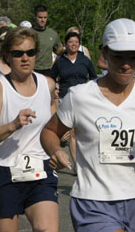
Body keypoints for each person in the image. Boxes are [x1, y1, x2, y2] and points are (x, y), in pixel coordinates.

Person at [40, 18, 135, 232]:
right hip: (93, 201)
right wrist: (55, 149)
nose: (125, 64)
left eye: (133, 58)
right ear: (104, 53)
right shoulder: (80, 96)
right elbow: (50, 131)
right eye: (118, 57)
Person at [0, 27, 58, 232]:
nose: (25, 58)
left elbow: (52, 123)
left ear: (37, 54)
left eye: (30, 52)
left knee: (47, 229)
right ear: (7, 56)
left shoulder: (47, 84)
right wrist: (12, 125)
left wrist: (58, 143)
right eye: (18, 53)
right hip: (4, 169)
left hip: (39, 168)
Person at [49, 32, 97, 174]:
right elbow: (51, 78)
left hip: (84, 100)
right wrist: (55, 89)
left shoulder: (85, 60)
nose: (74, 44)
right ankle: (76, 164)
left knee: (84, 130)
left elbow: (94, 77)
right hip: (66, 98)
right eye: (71, 42)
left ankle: (87, 160)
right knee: (72, 132)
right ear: (66, 44)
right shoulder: (60, 61)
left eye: (76, 42)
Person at [32, 5, 63, 76]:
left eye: (45, 17)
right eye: (40, 17)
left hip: (48, 70)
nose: (43, 20)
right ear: (35, 17)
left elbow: (59, 51)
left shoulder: (52, 33)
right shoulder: (28, 33)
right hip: (33, 70)